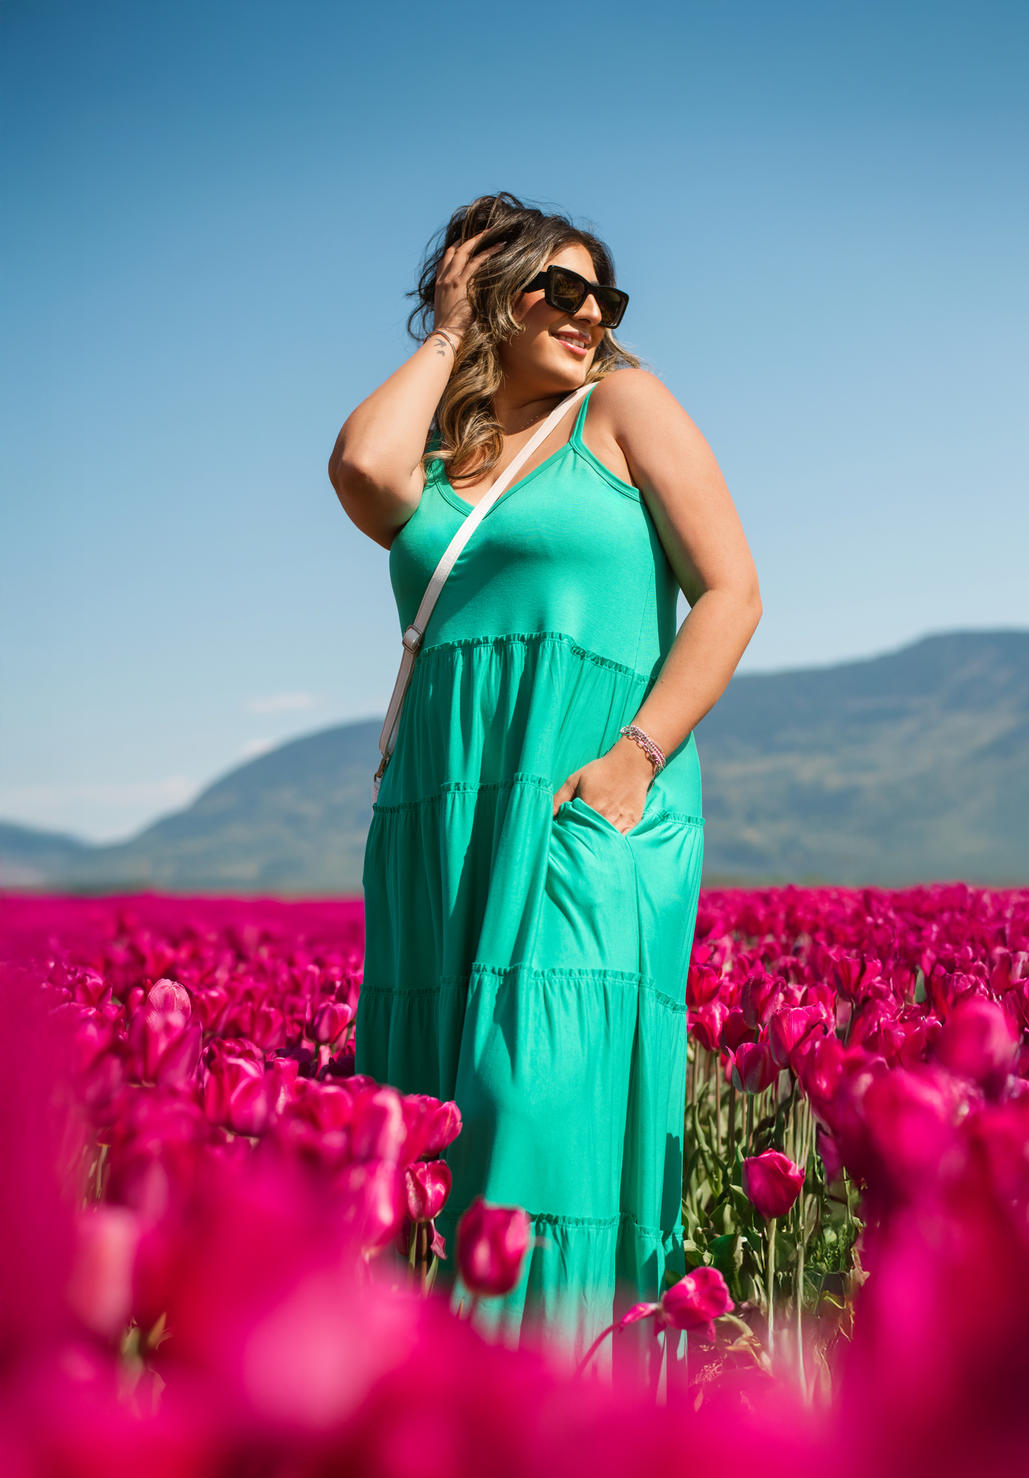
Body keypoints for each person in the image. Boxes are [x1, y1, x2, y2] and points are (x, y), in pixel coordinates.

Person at [328, 191, 762, 1398]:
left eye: (601, 297)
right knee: (431, 1113)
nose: (587, 314)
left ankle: (561, 1419)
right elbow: (360, 468)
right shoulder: (428, 465)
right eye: (555, 290)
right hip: (442, 814)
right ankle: (430, 1428)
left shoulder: (623, 408)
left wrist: (632, 761)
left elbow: (731, 593)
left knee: (534, 1111)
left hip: (589, 801)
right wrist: (448, 324)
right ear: (489, 300)